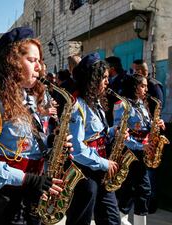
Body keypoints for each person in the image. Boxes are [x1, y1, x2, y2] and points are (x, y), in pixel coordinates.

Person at [0, 27, 66, 225]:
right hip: (4, 195)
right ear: (12, 63)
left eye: (39, 61)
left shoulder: (29, 97)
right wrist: (27, 179)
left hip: (33, 189)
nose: (40, 68)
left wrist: (54, 143)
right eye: (32, 60)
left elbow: (27, 142)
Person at [66, 53, 121, 225]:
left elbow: (98, 133)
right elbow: (77, 149)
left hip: (100, 167)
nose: (107, 82)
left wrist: (114, 131)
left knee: (112, 219)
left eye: (107, 77)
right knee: (80, 219)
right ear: (92, 79)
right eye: (103, 77)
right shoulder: (77, 106)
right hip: (85, 171)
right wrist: (105, 164)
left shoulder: (95, 102)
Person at [115, 74, 165, 225]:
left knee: (131, 190)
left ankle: (121, 218)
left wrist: (157, 124)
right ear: (134, 87)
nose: (146, 89)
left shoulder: (142, 105)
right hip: (130, 152)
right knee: (143, 190)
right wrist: (140, 146)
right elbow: (120, 133)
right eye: (143, 86)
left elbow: (146, 126)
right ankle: (126, 219)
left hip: (142, 151)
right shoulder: (122, 104)